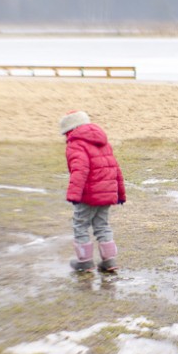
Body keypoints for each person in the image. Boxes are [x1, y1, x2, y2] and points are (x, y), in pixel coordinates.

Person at [59, 110, 126, 273]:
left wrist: (74, 195)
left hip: (88, 195)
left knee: (80, 224)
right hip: (108, 192)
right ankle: (109, 260)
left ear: (69, 129)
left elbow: (79, 170)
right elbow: (115, 167)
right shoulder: (102, 141)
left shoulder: (75, 144)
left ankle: (85, 261)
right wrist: (120, 193)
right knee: (102, 225)